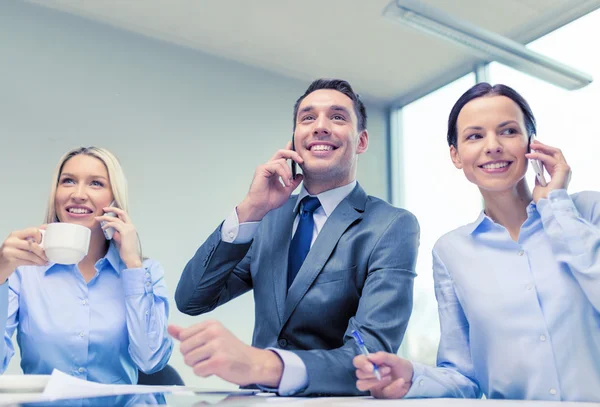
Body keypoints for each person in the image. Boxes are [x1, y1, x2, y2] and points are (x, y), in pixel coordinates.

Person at [170, 78, 420, 396]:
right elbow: (192, 299)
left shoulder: (392, 226)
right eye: (307, 118)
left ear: (361, 141)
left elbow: (369, 357)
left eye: (338, 117)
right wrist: (250, 209)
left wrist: (261, 364)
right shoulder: (267, 218)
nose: (320, 127)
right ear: (294, 140)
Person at [354, 83, 600, 401]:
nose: (493, 146)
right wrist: (413, 377)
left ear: (532, 144)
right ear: (456, 155)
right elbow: (463, 376)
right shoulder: (450, 252)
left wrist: (556, 206)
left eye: (508, 131)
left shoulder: (587, 212)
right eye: (474, 136)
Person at [0, 146, 173, 384]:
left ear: (114, 199)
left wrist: (133, 265)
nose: (78, 194)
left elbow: (151, 361)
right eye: (68, 181)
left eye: (96, 184)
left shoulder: (145, 272)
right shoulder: (22, 271)